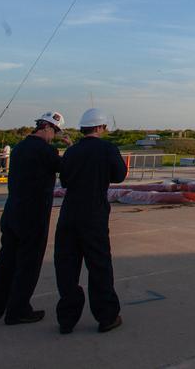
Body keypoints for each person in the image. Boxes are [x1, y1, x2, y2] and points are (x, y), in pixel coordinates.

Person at [0, 111, 66, 325]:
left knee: (5, 261)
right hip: (34, 215)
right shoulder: (45, 150)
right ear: (47, 127)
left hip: (12, 212)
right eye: (55, 132)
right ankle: (18, 310)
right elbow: (66, 170)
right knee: (28, 263)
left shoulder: (19, 148)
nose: (54, 137)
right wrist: (70, 148)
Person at [55, 108, 127, 334]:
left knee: (66, 266)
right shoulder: (107, 149)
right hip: (94, 214)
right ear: (100, 127)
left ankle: (67, 319)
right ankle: (106, 316)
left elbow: (65, 180)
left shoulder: (72, 151)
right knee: (99, 265)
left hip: (68, 214)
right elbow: (119, 175)